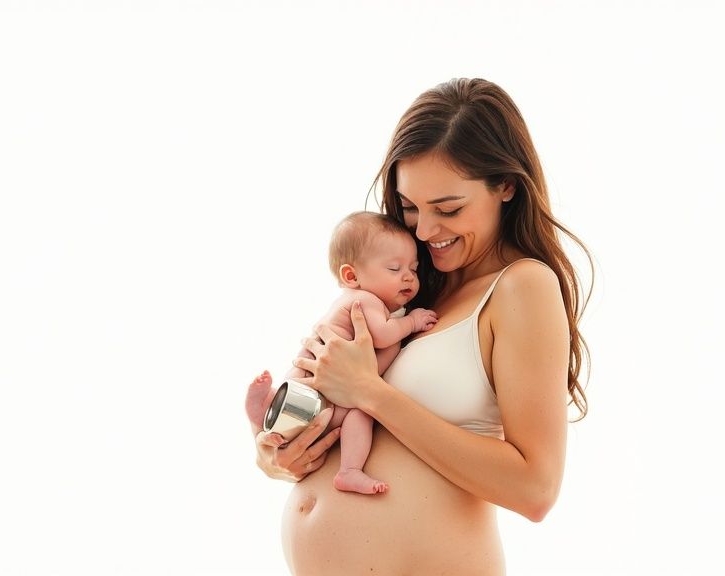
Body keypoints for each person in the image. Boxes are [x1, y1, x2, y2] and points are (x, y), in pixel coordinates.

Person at [248, 77, 592, 575]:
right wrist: (283, 456)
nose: (426, 231)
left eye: (448, 209)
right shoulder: (414, 286)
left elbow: (535, 489)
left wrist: (371, 392)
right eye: (410, 208)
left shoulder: (522, 287)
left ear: (506, 186)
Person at [246, 210, 438, 494]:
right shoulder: (365, 300)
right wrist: (411, 321)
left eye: (414, 268)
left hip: (312, 387)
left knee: (305, 415)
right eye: (395, 269)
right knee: (361, 415)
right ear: (351, 275)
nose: (409, 278)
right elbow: (384, 336)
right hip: (324, 389)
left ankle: (264, 408)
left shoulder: (352, 299)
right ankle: (349, 469)